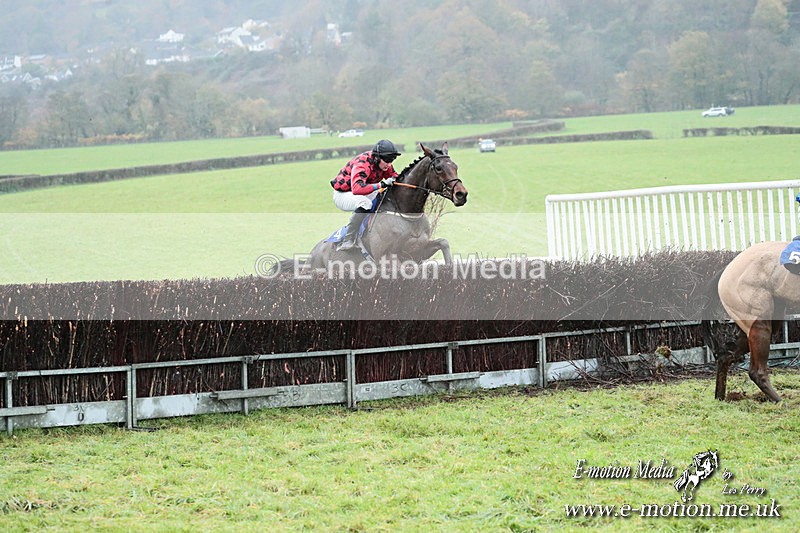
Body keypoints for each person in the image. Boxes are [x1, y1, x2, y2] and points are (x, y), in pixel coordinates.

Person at [330, 139, 401, 250]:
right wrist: (380, 184)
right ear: (377, 157)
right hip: (343, 194)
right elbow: (357, 189)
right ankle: (348, 239)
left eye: (392, 160)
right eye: (386, 160)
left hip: (362, 191)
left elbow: (395, 178)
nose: (389, 164)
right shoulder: (362, 164)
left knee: (383, 196)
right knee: (365, 203)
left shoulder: (385, 165)